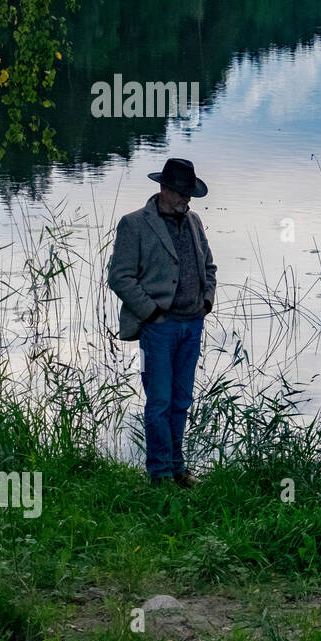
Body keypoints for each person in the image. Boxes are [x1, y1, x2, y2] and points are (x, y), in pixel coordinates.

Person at [107, 158, 216, 487]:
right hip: (158, 329)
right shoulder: (135, 224)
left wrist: (206, 301)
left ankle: (177, 468)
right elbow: (119, 277)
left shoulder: (194, 221)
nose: (187, 199)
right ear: (164, 189)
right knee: (159, 403)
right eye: (182, 192)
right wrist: (152, 313)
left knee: (182, 401)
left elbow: (209, 267)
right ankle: (159, 475)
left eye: (190, 193)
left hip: (192, 325)